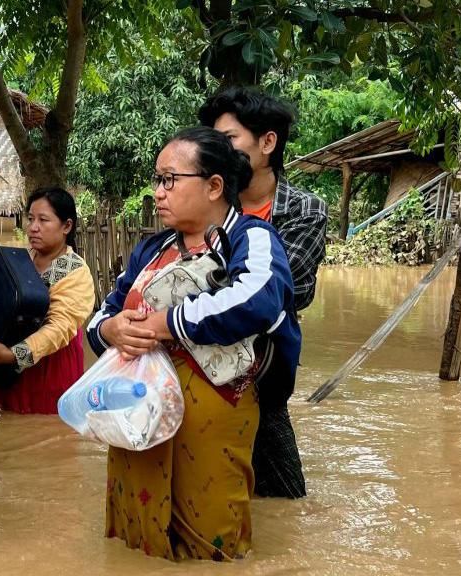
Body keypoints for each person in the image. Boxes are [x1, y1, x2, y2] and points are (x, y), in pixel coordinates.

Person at [86, 127, 301, 561]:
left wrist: (166, 322)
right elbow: (103, 312)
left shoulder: (252, 238)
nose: (158, 192)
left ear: (214, 186)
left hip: (215, 411)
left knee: (210, 536)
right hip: (139, 412)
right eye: (156, 179)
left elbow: (256, 298)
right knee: (136, 532)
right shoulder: (150, 249)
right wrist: (111, 331)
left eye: (170, 179)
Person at [199, 86, 325, 498]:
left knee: (284, 503)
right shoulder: (203, 203)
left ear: (268, 142)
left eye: (230, 139)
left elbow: (293, 291)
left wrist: (215, 286)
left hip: (264, 375)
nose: (220, 150)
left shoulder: (303, 210)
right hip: (198, 369)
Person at [0, 187, 95, 414]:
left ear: (67, 226)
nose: (33, 227)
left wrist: (13, 355)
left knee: (49, 433)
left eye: (43, 220)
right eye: (31, 219)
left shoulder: (75, 271)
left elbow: (59, 328)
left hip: (50, 369)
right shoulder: (18, 261)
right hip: (6, 369)